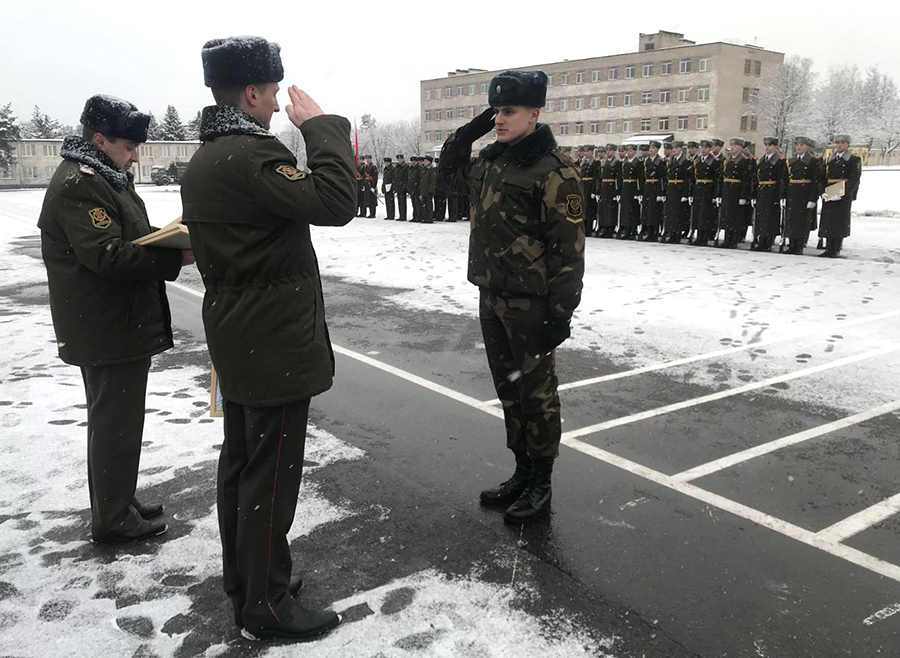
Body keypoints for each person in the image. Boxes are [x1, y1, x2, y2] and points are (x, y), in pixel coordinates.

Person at [180, 36, 356, 641]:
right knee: (271, 478)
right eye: (275, 92)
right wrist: (324, 127)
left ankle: (249, 579)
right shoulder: (249, 155)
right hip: (272, 340)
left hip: (241, 335)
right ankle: (266, 606)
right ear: (251, 93)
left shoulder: (209, 156)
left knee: (243, 466)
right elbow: (336, 202)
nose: (281, 104)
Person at [38, 94, 192, 543]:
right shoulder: (79, 183)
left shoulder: (108, 176)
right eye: (128, 146)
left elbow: (129, 236)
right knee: (114, 423)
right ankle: (113, 518)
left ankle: (117, 499)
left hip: (113, 321)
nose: (135, 156)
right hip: (105, 325)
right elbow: (106, 254)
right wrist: (173, 258)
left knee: (120, 421)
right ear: (100, 140)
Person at [438, 70, 584, 524]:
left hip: (532, 304)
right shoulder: (492, 162)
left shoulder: (554, 170)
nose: (500, 119)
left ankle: (541, 482)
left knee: (537, 394)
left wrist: (561, 314)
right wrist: (475, 126)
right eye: (496, 111)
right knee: (509, 389)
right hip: (491, 294)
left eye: (509, 111)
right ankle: (521, 472)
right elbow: (448, 171)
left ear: (535, 113)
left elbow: (568, 250)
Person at [818, 134, 861, 258]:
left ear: (848, 145)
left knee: (839, 222)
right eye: (838, 143)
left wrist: (843, 193)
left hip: (842, 193)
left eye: (843, 143)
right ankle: (828, 247)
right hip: (830, 191)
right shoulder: (830, 159)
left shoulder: (853, 160)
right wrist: (822, 191)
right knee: (828, 221)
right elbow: (822, 177)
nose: (839, 145)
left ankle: (836, 248)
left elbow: (854, 179)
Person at [783, 136, 821, 255]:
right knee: (791, 220)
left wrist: (812, 198)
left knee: (801, 221)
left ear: (807, 147)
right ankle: (791, 244)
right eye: (797, 145)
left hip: (804, 193)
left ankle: (799, 246)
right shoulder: (790, 161)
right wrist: (783, 196)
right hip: (792, 192)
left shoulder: (813, 161)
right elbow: (785, 180)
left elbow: (815, 181)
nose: (799, 147)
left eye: (802, 145)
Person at [752, 137, 787, 252]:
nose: (767, 147)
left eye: (770, 145)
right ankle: (761, 240)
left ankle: (768, 242)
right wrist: (754, 194)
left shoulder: (780, 161)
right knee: (761, 217)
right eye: (766, 145)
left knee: (770, 218)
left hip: (772, 191)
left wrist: (780, 195)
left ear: (775, 147)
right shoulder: (761, 160)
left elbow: (781, 179)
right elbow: (756, 179)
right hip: (762, 190)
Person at [717, 137, 753, 248]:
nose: (732, 148)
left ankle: (734, 240)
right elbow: (722, 178)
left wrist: (743, 196)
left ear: (741, 148)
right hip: (727, 191)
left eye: (735, 146)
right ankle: (727, 239)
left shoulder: (744, 161)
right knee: (727, 217)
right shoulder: (727, 161)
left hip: (737, 191)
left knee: (736, 217)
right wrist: (720, 193)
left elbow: (746, 180)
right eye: (732, 145)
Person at [690, 140, 721, 246]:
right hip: (698, 189)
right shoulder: (697, 161)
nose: (703, 150)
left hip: (708, 189)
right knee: (698, 214)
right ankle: (699, 236)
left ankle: (705, 237)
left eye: (706, 148)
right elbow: (693, 179)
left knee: (706, 215)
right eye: (702, 148)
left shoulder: (714, 161)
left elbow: (717, 179)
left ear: (710, 149)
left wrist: (715, 194)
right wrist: (691, 193)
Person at [663, 141, 693, 244]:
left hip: (680, 189)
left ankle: (677, 235)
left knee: (678, 214)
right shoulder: (670, 160)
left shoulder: (685, 161)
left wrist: (685, 194)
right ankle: (672, 234)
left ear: (681, 149)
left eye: (676, 148)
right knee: (671, 213)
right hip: (671, 189)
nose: (674, 150)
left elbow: (687, 179)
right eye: (673, 148)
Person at [640, 140, 665, 242]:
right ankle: (649, 232)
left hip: (655, 187)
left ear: (658, 150)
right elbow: (642, 177)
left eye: (653, 148)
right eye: (650, 147)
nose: (650, 149)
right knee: (647, 211)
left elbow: (662, 178)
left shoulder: (660, 161)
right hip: (647, 187)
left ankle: (654, 233)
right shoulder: (647, 161)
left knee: (654, 212)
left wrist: (660, 193)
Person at [594, 143, 620, 238]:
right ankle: (603, 227)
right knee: (603, 209)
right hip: (604, 187)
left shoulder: (616, 163)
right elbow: (599, 178)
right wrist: (598, 190)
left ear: (613, 151)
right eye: (607, 150)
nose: (608, 152)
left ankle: (610, 228)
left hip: (611, 187)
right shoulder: (603, 163)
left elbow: (618, 178)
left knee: (611, 209)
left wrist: (616, 192)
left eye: (610, 150)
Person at [618, 144, 642, 239]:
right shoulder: (624, 162)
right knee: (625, 210)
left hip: (633, 187)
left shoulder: (638, 162)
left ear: (635, 152)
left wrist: (638, 192)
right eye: (627, 151)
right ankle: (626, 231)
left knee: (633, 210)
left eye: (631, 151)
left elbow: (639, 178)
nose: (629, 152)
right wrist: (619, 192)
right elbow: (620, 178)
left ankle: (633, 231)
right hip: (625, 188)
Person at [393, 154, 409, 221]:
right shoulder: (397, 167)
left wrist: (404, 186)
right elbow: (396, 177)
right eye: (398, 159)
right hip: (398, 186)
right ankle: (401, 215)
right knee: (399, 202)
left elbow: (406, 177)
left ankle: (403, 216)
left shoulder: (405, 167)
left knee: (403, 202)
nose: (399, 160)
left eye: (400, 159)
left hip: (403, 186)